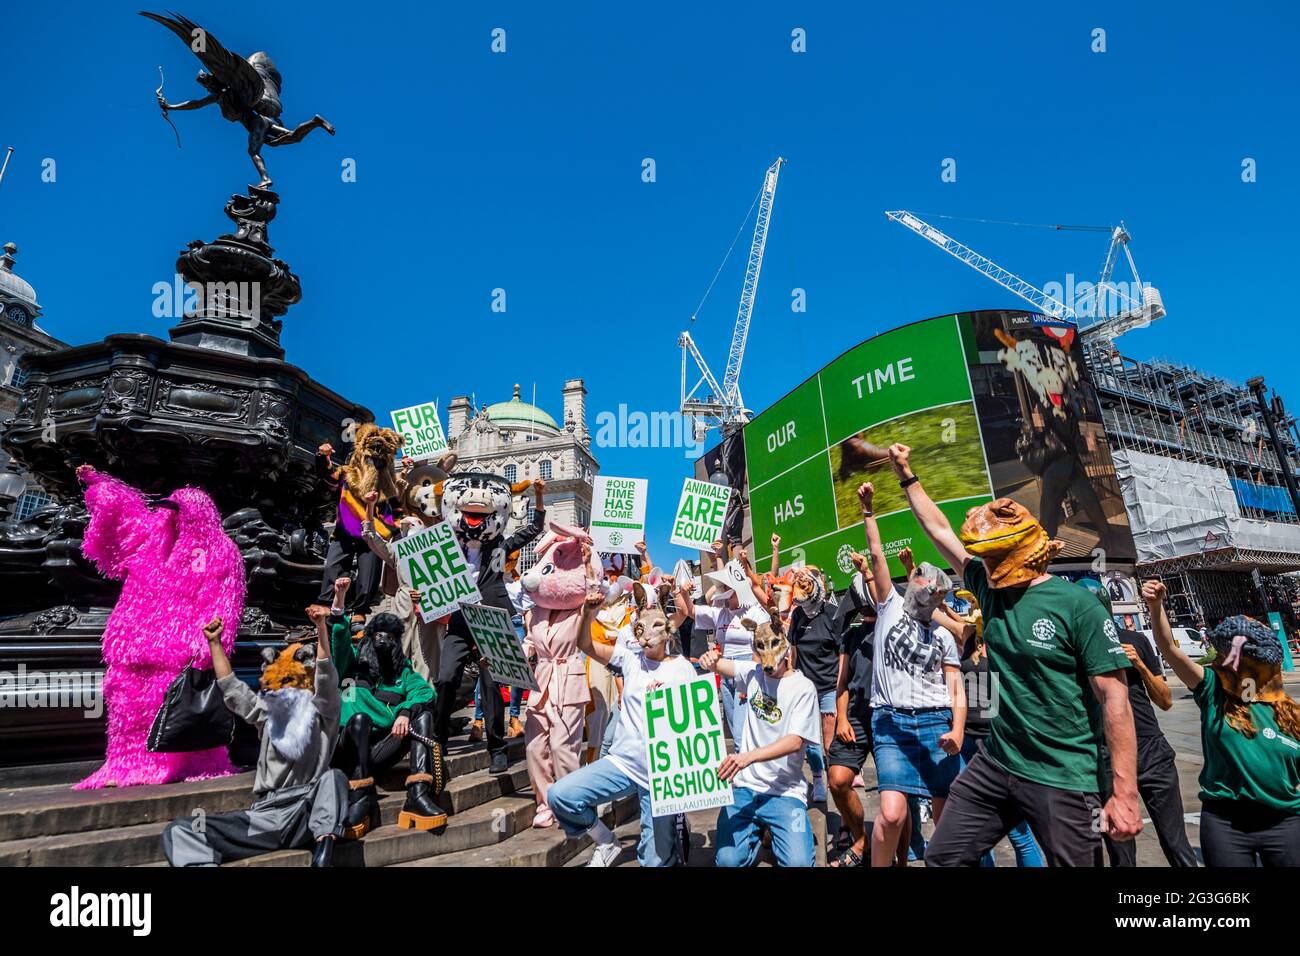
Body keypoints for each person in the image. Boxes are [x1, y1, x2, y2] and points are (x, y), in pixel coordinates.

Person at [885, 442, 1142, 866]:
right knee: (943, 858)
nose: (979, 561)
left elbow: (1115, 699)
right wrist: (905, 473)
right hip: (998, 763)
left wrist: (1124, 792)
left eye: (989, 554)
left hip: (1064, 776)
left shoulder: (1077, 605)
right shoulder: (988, 589)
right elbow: (940, 531)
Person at [162, 615, 347, 867]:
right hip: (265, 816)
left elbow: (326, 677)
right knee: (182, 829)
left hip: (306, 811)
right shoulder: (268, 715)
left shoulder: (323, 714)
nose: (282, 691)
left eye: (289, 683)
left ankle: (323, 855)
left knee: (333, 778)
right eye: (277, 685)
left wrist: (321, 628)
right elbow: (233, 690)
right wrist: (215, 643)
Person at [1143, 580, 1300, 866]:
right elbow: (1168, 649)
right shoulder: (1213, 690)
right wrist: (1156, 607)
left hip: (1285, 821)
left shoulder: (1291, 713)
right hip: (1226, 823)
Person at [856, 481, 966, 867]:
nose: (917, 584)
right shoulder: (888, 606)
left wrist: (957, 730)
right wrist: (868, 510)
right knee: (891, 814)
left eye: (927, 584)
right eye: (917, 578)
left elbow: (956, 689)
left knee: (947, 819)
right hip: (891, 721)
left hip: (936, 723)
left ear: (937, 596)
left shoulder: (943, 636)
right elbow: (876, 555)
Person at [547, 580, 696, 867]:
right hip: (624, 764)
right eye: (639, 628)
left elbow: (695, 721)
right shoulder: (629, 659)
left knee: (655, 862)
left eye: (653, 627)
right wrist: (588, 614)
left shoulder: (683, 668)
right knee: (560, 795)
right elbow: (585, 644)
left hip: (662, 775)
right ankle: (605, 840)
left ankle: (673, 827)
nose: (645, 635)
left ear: (667, 631)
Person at [1077, 579, 1197, 868]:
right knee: (1120, 851)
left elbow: (1166, 700)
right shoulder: (1074, 649)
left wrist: (1140, 667)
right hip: (1106, 757)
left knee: (1176, 842)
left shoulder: (1135, 640)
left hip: (1152, 751)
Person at [433, 475, 546, 774]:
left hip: (492, 617)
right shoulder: (447, 545)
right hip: (459, 618)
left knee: (493, 683)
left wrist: (538, 497)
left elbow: (534, 528)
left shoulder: (500, 546)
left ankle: (497, 747)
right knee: (446, 676)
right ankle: (438, 737)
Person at [325, 577, 446, 836]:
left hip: (379, 751)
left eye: (389, 637)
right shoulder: (351, 666)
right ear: (368, 639)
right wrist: (339, 599)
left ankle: (417, 793)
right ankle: (361, 795)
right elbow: (339, 637)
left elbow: (425, 692)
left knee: (421, 713)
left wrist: (404, 711)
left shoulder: (402, 674)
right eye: (378, 636)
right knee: (360, 720)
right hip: (347, 749)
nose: (383, 641)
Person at [700, 617, 819, 868]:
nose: (767, 654)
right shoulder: (753, 674)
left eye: (774, 644)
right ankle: (758, 834)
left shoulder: (803, 688)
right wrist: (709, 660)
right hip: (745, 787)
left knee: (798, 864)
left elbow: (795, 741)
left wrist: (748, 756)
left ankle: (773, 831)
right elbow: (721, 665)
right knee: (728, 862)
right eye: (760, 647)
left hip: (784, 790)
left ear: (786, 645)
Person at [951, 588, 1044, 867]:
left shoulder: (1007, 637)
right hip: (967, 740)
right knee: (975, 831)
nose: (974, 613)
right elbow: (934, 611)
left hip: (1000, 741)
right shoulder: (968, 637)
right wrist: (912, 574)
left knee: (1019, 831)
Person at [786, 565, 851, 805]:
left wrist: (841, 686)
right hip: (806, 688)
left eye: (804, 587)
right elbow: (793, 650)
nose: (800, 593)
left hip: (830, 686)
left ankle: (838, 781)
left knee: (828, 740)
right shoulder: (798, 616)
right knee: (810, 741)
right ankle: (818, 780)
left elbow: (842, 652)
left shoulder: (833, 613)